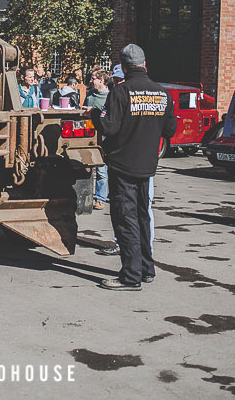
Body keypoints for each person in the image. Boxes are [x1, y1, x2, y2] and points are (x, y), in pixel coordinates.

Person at [87, 44, 176, 290]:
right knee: (142, 217)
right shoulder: (162, 93)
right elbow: (170, 130)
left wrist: (95, 115)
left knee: (126, 220)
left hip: (123, 165)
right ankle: (147, 269)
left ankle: (131, 276)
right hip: (147, 166)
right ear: (145, 65)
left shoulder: (122, 91)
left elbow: (109, 127)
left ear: (124, 68)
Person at [84, 68, 111, 210]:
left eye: (93, 78)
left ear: (101, 80)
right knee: (86, 167)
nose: (90, 80)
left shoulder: (110, 96)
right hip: (87, 134)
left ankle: (100, 198)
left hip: (102, 135)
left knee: (101, 168)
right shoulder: (89, 94)